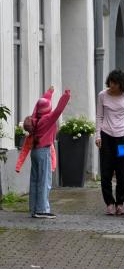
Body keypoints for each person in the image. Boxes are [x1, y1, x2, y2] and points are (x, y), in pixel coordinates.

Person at [16, 86, 71, 218]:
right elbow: (58, 110)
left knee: (35, 180)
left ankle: (34, 209)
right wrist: (66, 96)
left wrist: (50, 92)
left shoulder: (34, 118)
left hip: (35, 152)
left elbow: (41, 103)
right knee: (44, 181)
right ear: (48, 110)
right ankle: (42, 210)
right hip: (43, 151)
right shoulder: (48, 120)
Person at [96, 69, 124, 216]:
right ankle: (109, 203)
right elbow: (99, 117)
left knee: (122, 173)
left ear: (121, 84)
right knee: (106, 172)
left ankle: (120, 203)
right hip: (106, 136)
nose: (112, 86)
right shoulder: (102, 95)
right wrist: (97, 135)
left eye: (115, 84)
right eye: (111, 83)